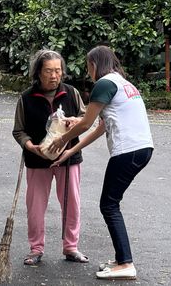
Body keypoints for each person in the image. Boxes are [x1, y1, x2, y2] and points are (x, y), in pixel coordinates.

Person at [49, 45, 153, 280]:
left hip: (128, 149)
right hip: (142, 148)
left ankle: (126, 263)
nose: (88, 73)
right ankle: (121, 259)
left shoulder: (104, 83)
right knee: (111, 203)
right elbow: (100, 125)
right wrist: (70, 151)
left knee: (109, 204)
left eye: (88, 67)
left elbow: (86, 124)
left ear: (94, 64)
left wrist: (62, 140)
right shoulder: (123, 83)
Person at [12, 49, 89, 266]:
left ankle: (71, 247)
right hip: (37, 159)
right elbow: (19, 131)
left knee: (71, 203)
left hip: (68, 157)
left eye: (58, 71)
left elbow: (85, 119)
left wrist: (75, 121)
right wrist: (30, 146)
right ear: (38, 73)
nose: (54, 76)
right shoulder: (26, 98)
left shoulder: (71, 93)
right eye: (48, 71)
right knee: (35, 206)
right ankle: (36, 249)